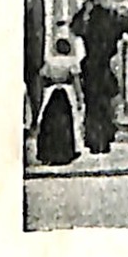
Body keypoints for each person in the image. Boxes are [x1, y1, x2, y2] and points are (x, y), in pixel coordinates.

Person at [71, 0, 128, 154]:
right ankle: (103, 139)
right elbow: (127, 27)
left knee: (93, 106)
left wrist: (85, 12)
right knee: (103, 105)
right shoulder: (109, 24)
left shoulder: (90, 26)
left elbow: (76, 29)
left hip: (92, 68)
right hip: (103, 68)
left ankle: (94, 140)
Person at [35, 34, 82, 166]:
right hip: (66, 92)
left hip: (52, 92)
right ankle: (65, 153)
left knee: (49, 122)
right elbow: (76, 80)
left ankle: (48, 153)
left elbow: (43, 77)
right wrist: (79, 98)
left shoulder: (50, 61)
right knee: (66, 122)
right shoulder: (72, 62)